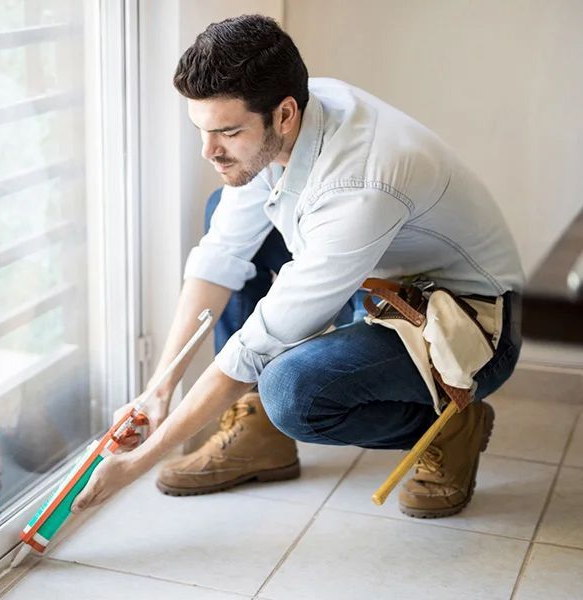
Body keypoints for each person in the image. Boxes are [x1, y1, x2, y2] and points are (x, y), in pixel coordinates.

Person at [71, 14, 523, 519]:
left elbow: (255, 347)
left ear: (283, 115)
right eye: (202, 130)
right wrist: (159, 389)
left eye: (227, 132)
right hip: (378, 279)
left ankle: (452, 423)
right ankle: (257, 432)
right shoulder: (297, 109)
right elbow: (222, 256)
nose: (208, 151)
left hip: (467, 322)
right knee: (222, 212)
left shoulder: (359, 183)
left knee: (290, 391)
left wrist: (135, 464)